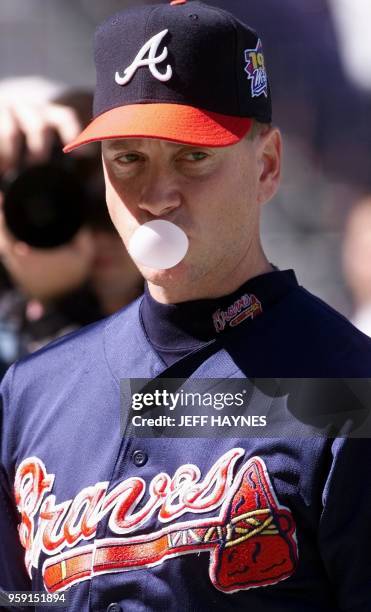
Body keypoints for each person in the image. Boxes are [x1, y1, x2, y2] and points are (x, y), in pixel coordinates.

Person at [1, 2, 371, 611]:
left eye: (193, 156)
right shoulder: (31, 390)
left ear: (268, 165)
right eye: (129, 158)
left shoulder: (349, 388)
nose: (157, 196)